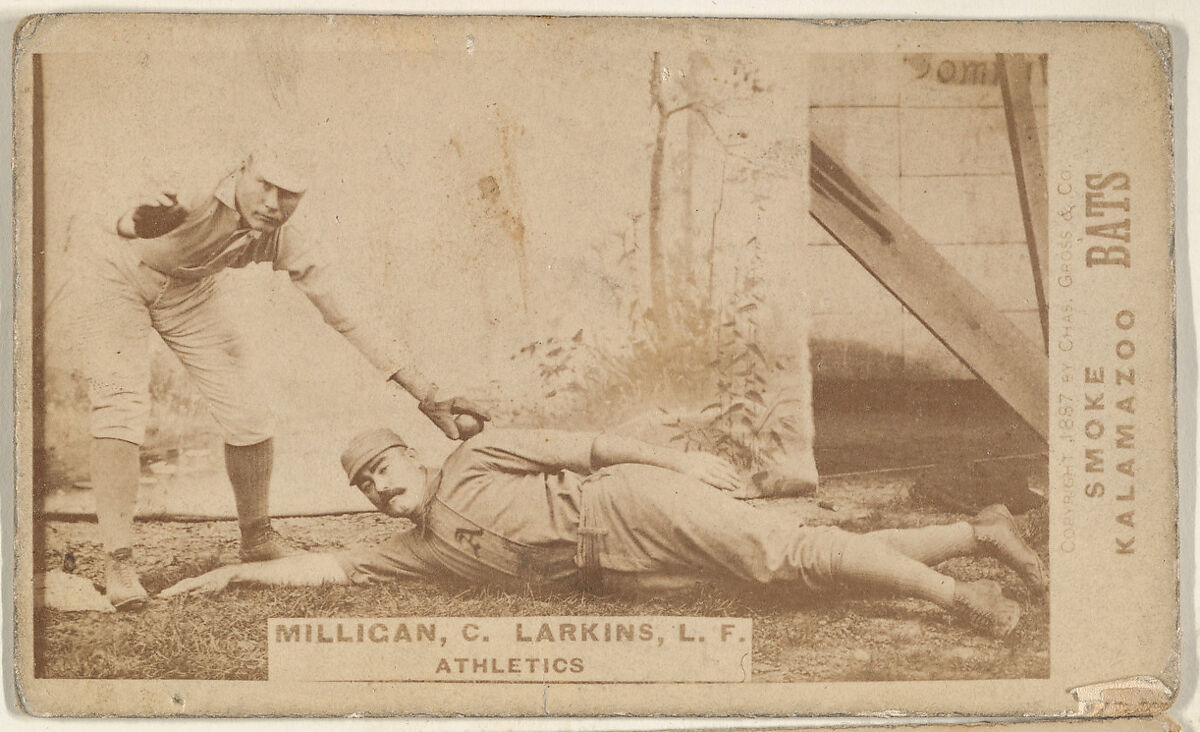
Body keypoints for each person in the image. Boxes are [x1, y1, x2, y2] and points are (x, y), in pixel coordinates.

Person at [75, 142, 490, 610]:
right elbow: (124, 219)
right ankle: (120, 563)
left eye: (288, 193)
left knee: (248, 410)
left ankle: (257, 540)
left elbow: (347, 311)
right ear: (242, 169)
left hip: (187, 290)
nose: (273, 203)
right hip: (113, 273)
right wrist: (135, 222)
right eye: (265, 186)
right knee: (120, 404)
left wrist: (428, 394)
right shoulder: (195, 187)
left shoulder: (284, 233)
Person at [162, 426, 1048, 637]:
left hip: (628, 504)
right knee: (793, 576)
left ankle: (961, 597)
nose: (381, 491)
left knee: (785, 552)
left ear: (414, 455)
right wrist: (234, 577)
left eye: (385, 470)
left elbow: (588, 445)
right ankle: (979, 532)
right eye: (367, 488)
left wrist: (679, 465)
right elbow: (327, 572)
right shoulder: (415, 546)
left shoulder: (474, 456)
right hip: (619, 571)